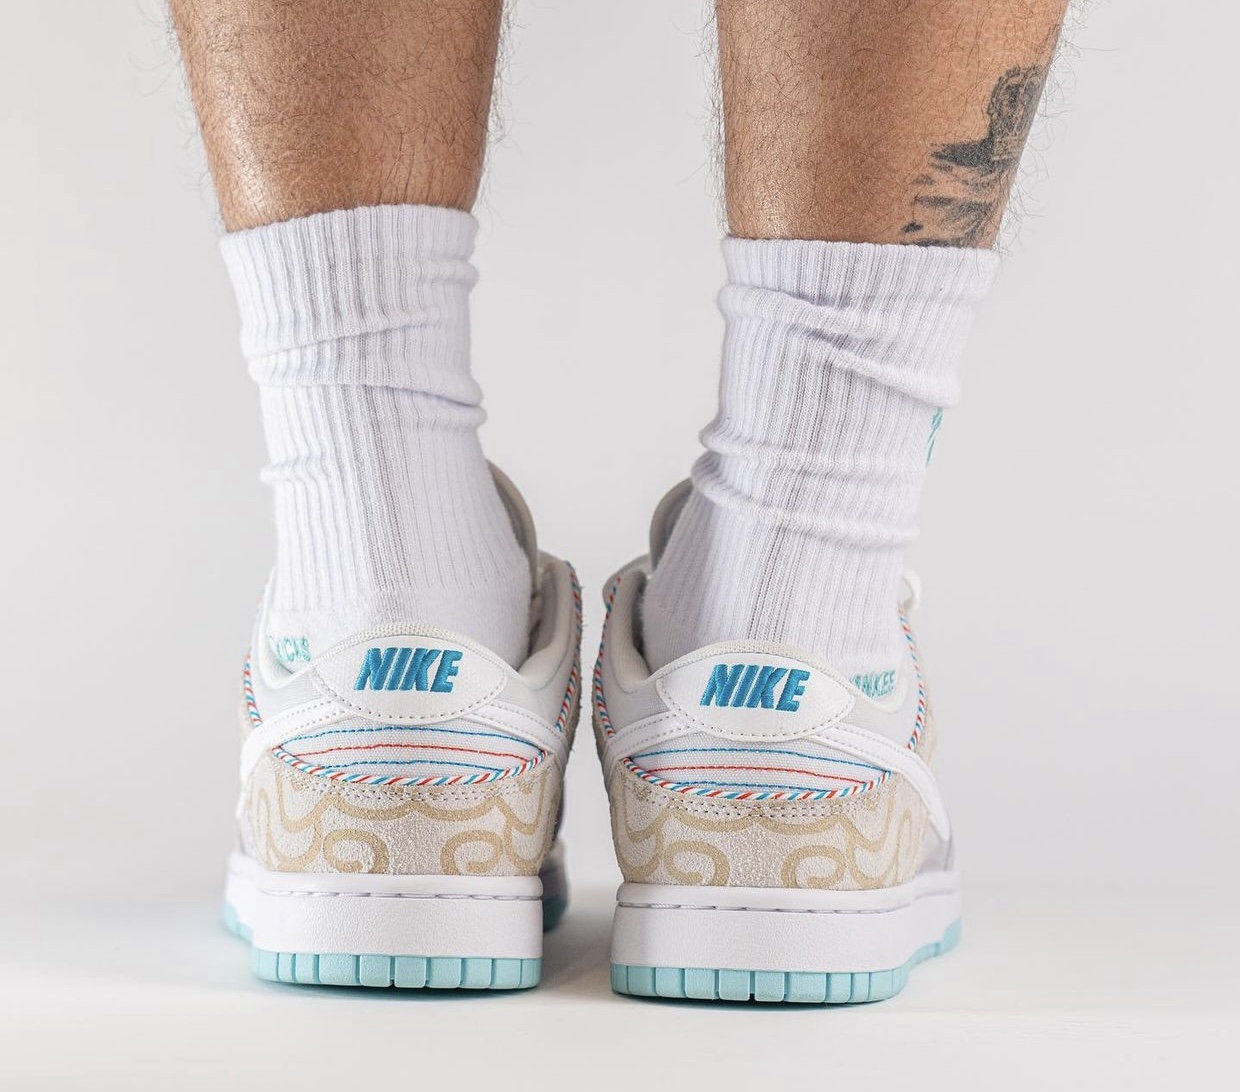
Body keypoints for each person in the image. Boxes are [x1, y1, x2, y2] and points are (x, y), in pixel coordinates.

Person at [174, 0, 1068, 1000]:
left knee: (364, 424)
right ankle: (820, 635)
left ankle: (359, 630)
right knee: (815, 494)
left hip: (334, 753)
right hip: (832, 771)